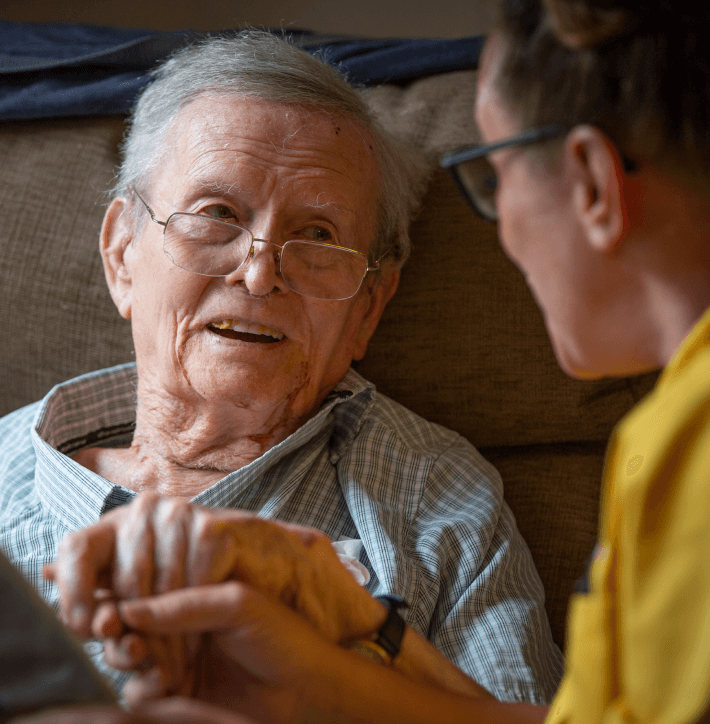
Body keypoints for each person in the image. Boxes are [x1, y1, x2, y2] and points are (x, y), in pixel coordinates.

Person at [26, 0, 710, 722]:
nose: (260, 274)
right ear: (120, 253)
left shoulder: (675, 445)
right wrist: (368, 630)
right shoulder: (663, 432)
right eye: (218, 215)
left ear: (370, 307)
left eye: (495, 180)